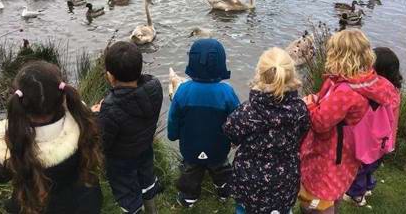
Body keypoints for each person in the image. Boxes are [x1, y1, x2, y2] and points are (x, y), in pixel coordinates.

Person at [299, 30, 398, 214]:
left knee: (317, 197)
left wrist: (310, 104)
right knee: (334, 191)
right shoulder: (369, 82)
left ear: (338, 55)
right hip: (347, 152)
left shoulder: (346, 92)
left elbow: (320, 123)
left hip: (330, 154)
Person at [0, 61, 103, 214]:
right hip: (85, 203)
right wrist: (93, 113)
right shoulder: (82, 123)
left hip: (36, 207)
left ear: (20, 104)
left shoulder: (13, 144)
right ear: (62, 95)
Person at [223, 47, 310, 214]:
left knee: (244, 209)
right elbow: (303, 131)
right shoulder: (300, 109)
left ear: (260, 75)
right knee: (283, 209)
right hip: (285, 178)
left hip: (249, 180)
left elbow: (229, 131)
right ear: (291, 75)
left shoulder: (247, 112)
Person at [167, 39, 240, 207]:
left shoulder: (183, 91)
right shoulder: (227, 92)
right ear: (221, 64)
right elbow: (237, 119)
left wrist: (173, 135)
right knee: (221, 168)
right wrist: (236, 140)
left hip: (190, 148)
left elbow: (173, 118)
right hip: (219, 148)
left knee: (190, 171)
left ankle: (189, 197)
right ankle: (223, 191)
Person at [95, 41, 163, 214]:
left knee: (128, 195)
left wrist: (97, 115)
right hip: (145, 150)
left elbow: (104, 142)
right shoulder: (155, 88)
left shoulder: (110, 108)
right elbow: (133, 104)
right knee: (147, 183)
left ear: (110, 77)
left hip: (121, 162)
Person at [344, 47, 402, 206]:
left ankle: (355, 195)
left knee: (360, 169)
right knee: (371, 166)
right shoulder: (395, 91)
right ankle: (368, 186)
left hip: (369, 141)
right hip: (384, 140)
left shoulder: (372, 93)